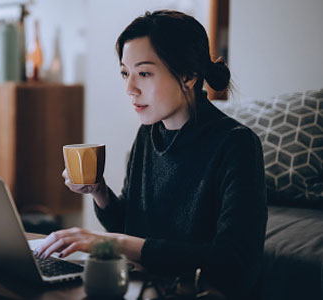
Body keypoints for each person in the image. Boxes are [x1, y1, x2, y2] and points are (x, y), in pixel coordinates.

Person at [34, 10, 267, 299]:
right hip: (146, 286)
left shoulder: (237, 145)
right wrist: (99, 191)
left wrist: (114, 242)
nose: (130, 88)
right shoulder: (149, 134)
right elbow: (131, 227)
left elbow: (235, 263)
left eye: (143, 73)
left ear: (189, 75)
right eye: (124, 73)